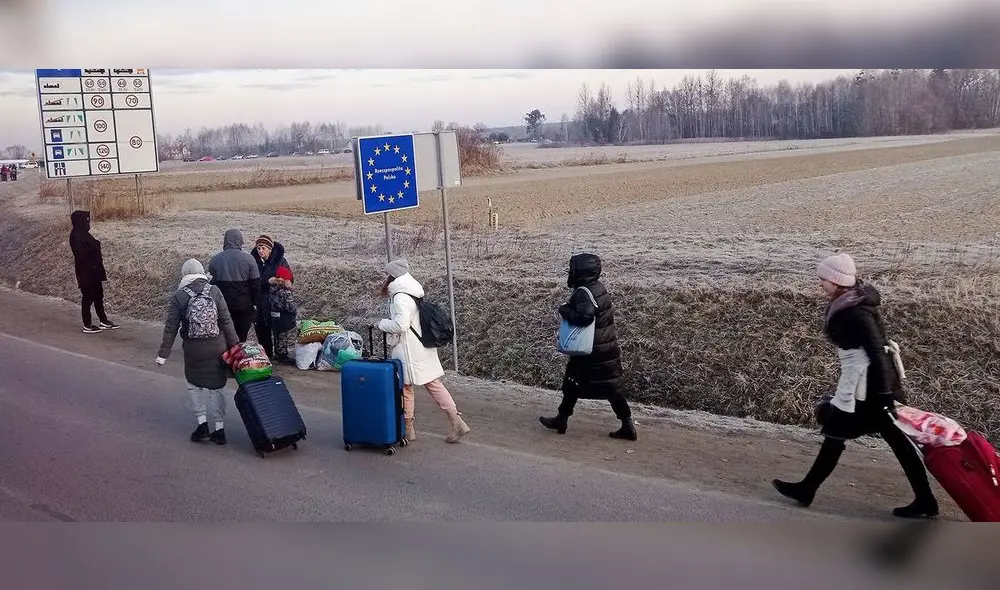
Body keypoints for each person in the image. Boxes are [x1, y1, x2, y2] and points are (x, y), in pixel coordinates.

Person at [772, 253, 939, 519]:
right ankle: (807, 489)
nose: (820, 283)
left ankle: (925, 501)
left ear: (837, 281)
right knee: (850, 435)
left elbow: (876, 351)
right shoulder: (849, 302)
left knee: (846, 433)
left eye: (823, 278)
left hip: (870, 387)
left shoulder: (856, 311)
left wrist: (884, 394)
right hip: (869, 384)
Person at [540, 253, 637, 440]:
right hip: (605, 348)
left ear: (580, 271)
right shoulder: (598, 287)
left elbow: (585, 317)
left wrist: (565, 310)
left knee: (572, 382)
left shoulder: (584, 292)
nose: (570, 272)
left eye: (573, 268)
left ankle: (562, 419)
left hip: (590, 352)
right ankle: (627, 425)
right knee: (610, 388)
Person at [376, 258, 471, 443]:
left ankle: (409, 429)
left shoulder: (400, 296)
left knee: (405, 388)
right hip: (422, 346)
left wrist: (381, 324)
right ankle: (456, 422)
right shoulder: (413, 292)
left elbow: (401, 325)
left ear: (392, 277)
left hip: (408, 350)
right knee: (434, 384)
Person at [156, 259, 240, 445]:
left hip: (193, 350)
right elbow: (227, 322)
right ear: (202, 272)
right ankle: (219, 430)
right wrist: (236, 347)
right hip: (217, 347)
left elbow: (171, 328)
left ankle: (202, 425)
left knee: (194, 386)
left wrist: (163, 354)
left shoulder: (180, 296)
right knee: (217, 389)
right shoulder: (215, 291)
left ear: (185, 273)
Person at [68, 210, 119, 333]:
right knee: (88, 297)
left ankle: (103, 321)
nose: (88, 222)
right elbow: (81, 254)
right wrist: (93, 252)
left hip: (94, 271)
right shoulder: (75, 236)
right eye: (86, 220)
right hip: (86, 272)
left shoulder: (84, 234)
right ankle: (87, 325)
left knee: (98, 296)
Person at [207, 229, 259, 342]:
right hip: (244, 306)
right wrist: (255, 304)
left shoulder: (215, 260)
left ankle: (225, 357)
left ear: (225, 241)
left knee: (224, 337)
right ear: (240, 241)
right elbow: (255, 285)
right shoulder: (249, 259)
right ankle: (238, 357)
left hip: (222, 306)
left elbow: (210, 285)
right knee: (241, 338)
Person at [251, 234, 290, 359]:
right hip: (260, 301)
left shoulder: (280, 261)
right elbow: (253, 281)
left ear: (270, 249)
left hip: (276, 301)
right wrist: (266, 281)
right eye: (258, 248)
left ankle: (281, 354)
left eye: (263, 248)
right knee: (261, 329)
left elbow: (289, 278)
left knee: (278, 328)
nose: (260, 251)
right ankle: (267, 354)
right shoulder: (254, 261)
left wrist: (279, 281)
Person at [267, 265, 297, 364]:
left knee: (276, 335)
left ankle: (277, 352)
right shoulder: (286, 291)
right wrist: (294, 311)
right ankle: (283, 356)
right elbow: (290, 306)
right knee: (283, 336)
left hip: (274, 315)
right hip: (284, 317)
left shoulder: (272, 289)